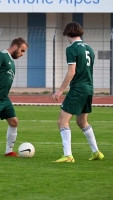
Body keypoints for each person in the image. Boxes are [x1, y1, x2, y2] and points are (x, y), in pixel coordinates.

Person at [51, 22, 104, 163]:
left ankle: (68, 155)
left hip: (78, 89)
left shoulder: (71, 48)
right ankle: (96, 152)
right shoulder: (89, 49)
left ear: (68, 34)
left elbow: (72, 72)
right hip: (88, 88)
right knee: (82, 121)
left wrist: (60, 90)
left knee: (62, 122)